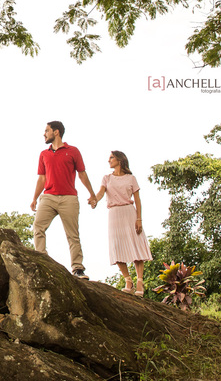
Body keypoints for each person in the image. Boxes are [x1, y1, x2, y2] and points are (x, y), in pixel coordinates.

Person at [31, 121, 96, 279]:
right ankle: (42, 260)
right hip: (48, 197)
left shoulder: (73, 151)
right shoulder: (44, 154)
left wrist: (92, 194)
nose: (44, 134)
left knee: (72, 235)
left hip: (69, 198)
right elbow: (42, 179)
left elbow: (82, 174)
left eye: (47, 131)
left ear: (56, 132)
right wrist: (34, 199)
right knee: (38, 227)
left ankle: (78, 268)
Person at [90, 150, 152, 295]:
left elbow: (137, 200)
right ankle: (128, 280)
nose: (109, 160)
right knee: (116, 247)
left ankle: (140, 282)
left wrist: (139, 219)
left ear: (119, 160)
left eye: (111, 157)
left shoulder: (131, 178)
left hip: (129, 212)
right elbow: (100, 193)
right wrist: (94, 200)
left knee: (136, 246)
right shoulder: (107, 178)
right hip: (114, 214)